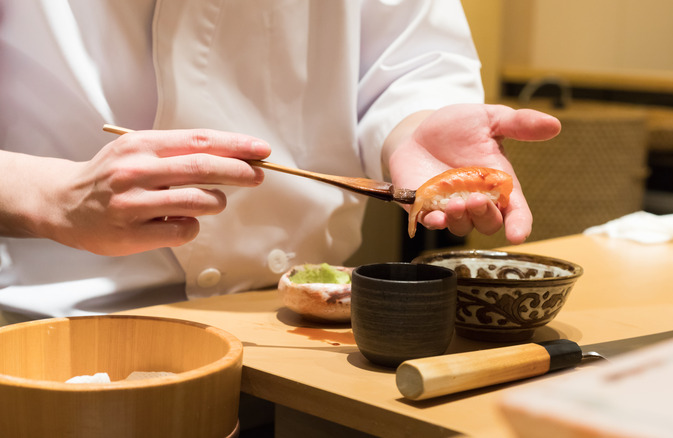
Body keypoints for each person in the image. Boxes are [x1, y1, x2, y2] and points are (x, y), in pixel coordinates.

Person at [0, 0, 560, 322]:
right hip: (50, 333)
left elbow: (410, 56)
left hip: (302, 323)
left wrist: (414, 125)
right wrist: (47, 195)